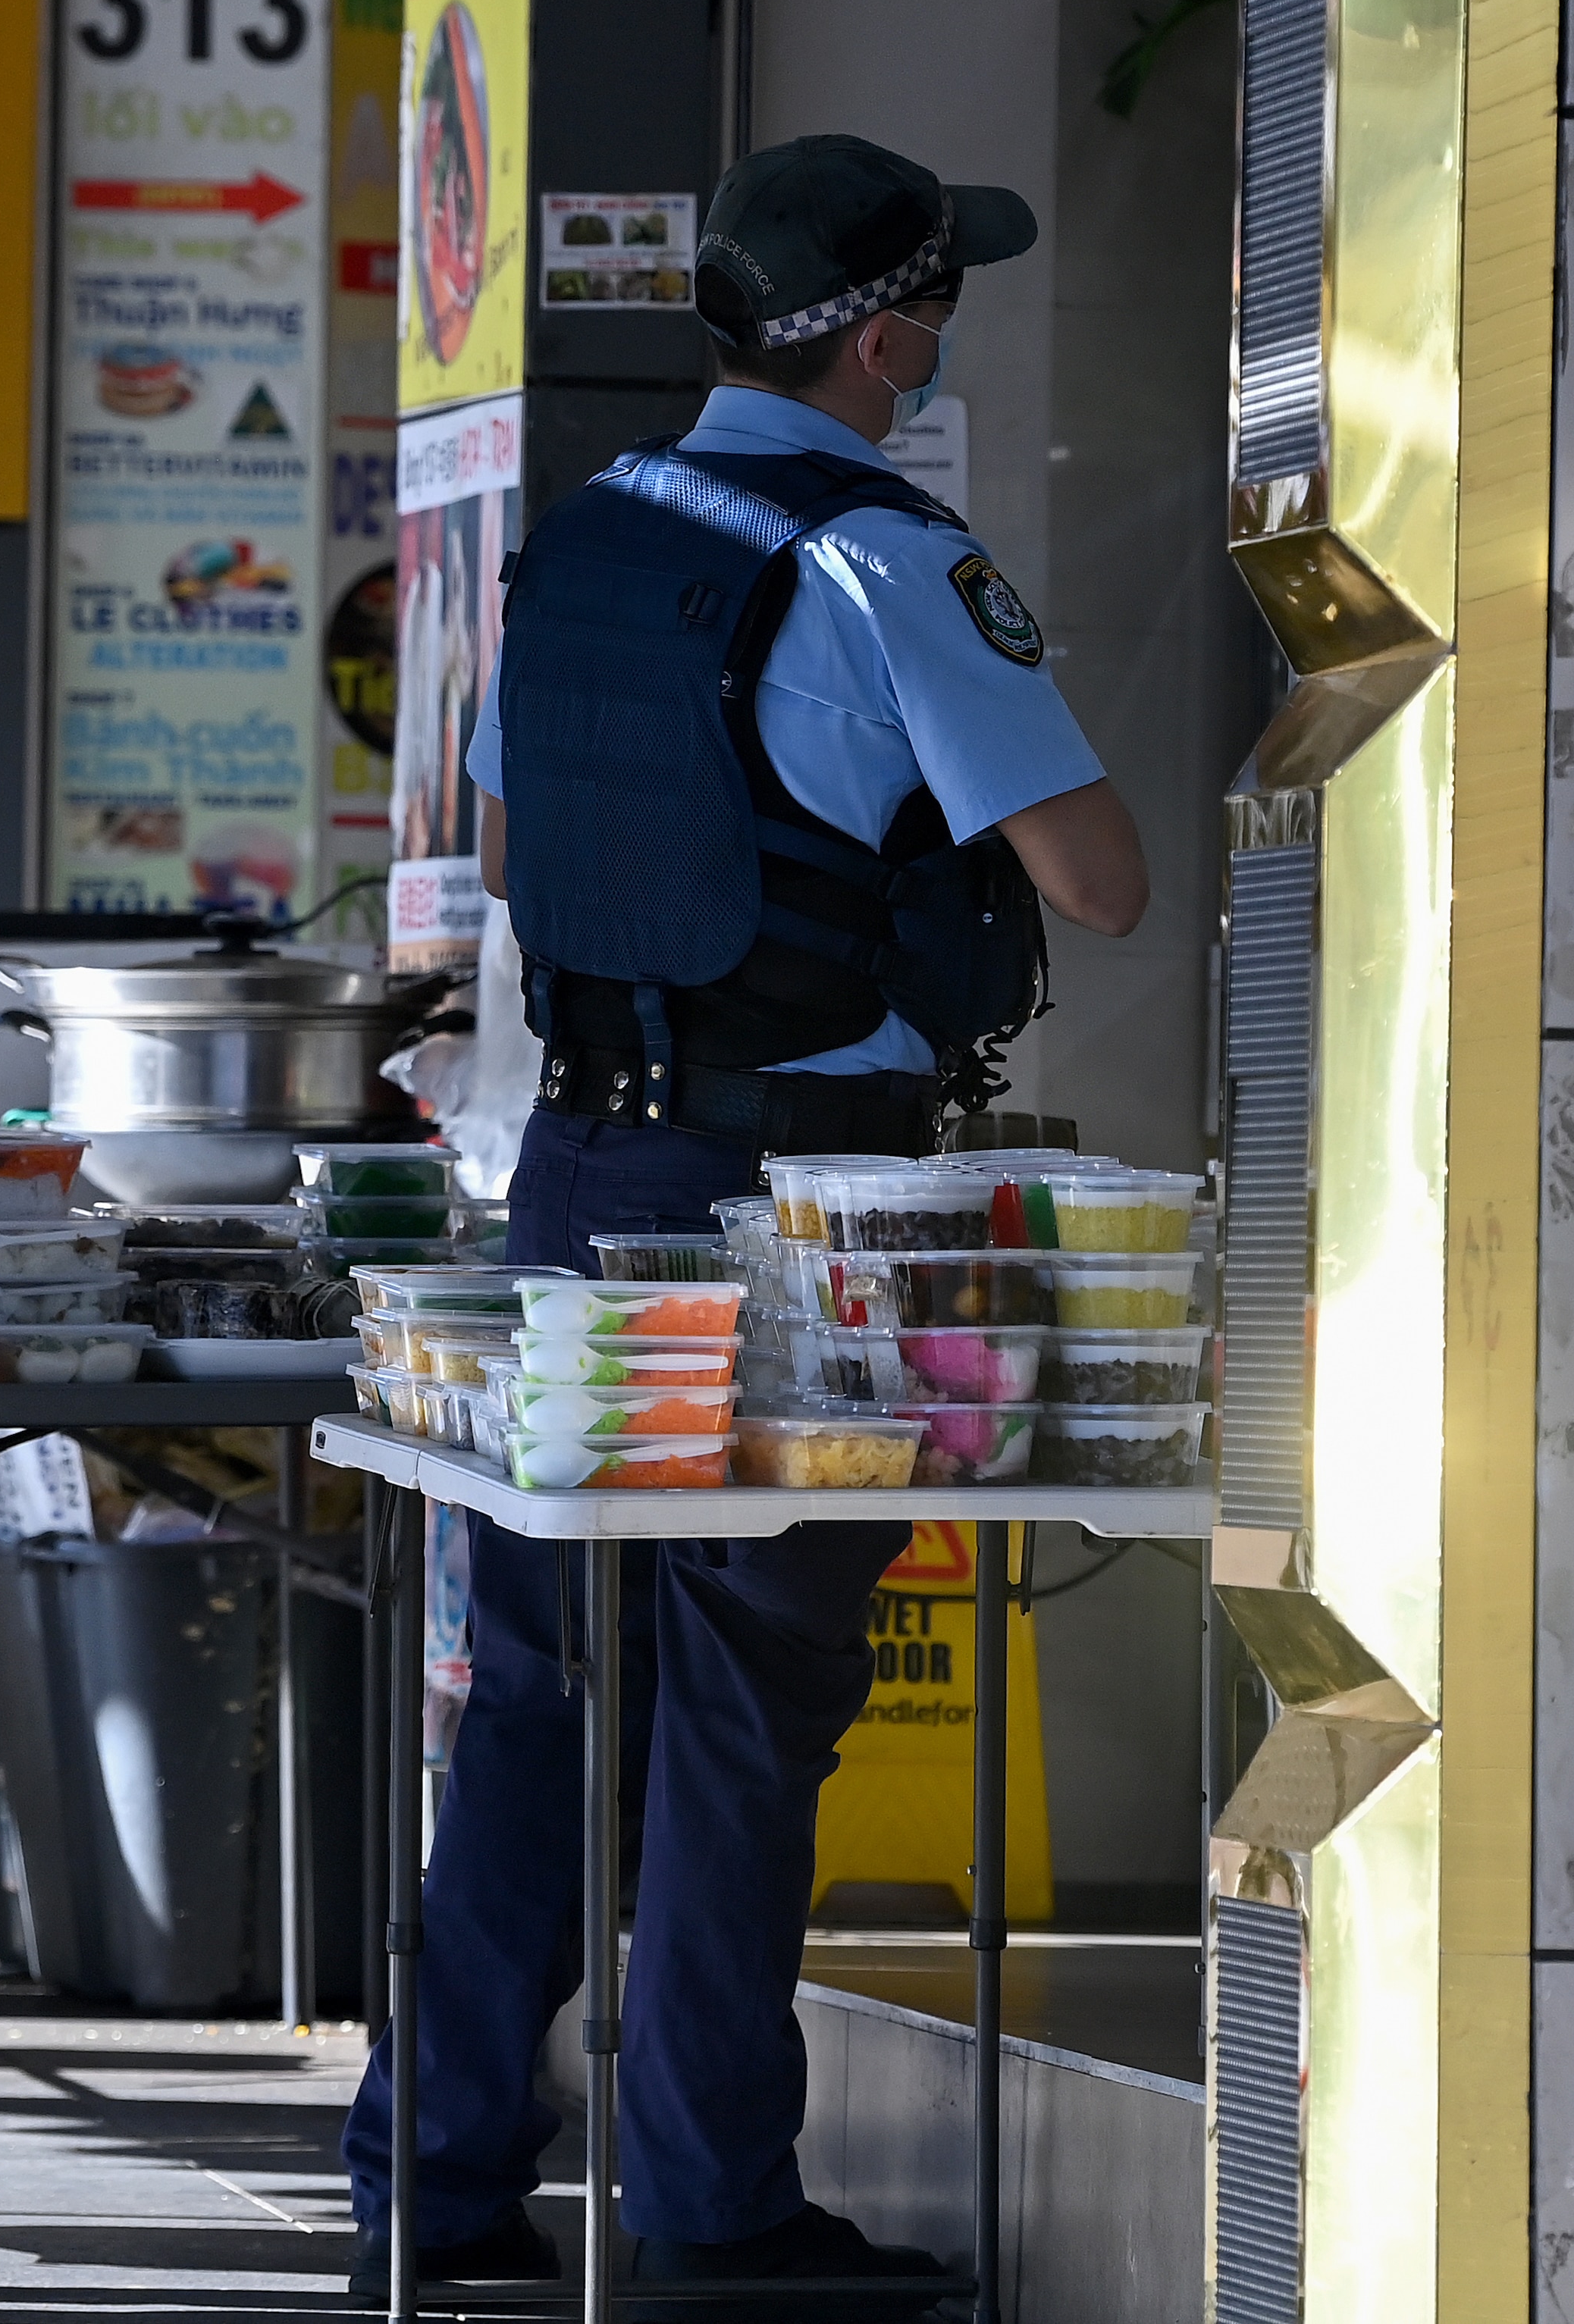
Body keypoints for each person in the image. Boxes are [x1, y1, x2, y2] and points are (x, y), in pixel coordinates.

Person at [340, 134, 1147, 2310]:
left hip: (581, 1167)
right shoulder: (887, 559)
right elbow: (1098, 874)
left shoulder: (595, 540)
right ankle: (707, 2199)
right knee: (743, 1692)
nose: (939, 340)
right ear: (885, 336)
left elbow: (521, 843)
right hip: (802, 1201)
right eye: (938, 308)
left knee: (529, 1683)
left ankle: (430, 2167)